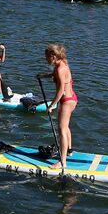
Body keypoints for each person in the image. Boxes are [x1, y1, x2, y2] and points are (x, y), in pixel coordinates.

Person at [39, 43, 77, 172]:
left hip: (66, 101)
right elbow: (57, 76)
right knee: (65, 127)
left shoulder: (60, 69)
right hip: (72, 99)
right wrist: (44, 76)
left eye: (47, 58)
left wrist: (51, 105)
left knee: (61, 130)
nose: (46, 60)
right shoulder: (62, 63)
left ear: (53, 56)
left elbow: (60, 91)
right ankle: (69, 150)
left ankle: (62, 161)